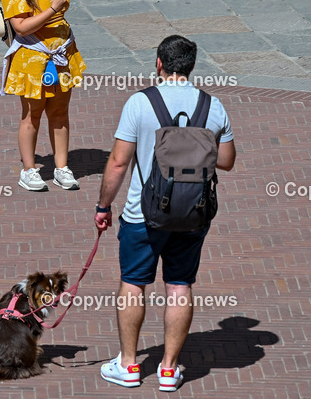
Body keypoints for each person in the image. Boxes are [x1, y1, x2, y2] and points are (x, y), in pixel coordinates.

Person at [93, 35, 235, 391]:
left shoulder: (140, 103)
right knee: (179, 286)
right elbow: (228, 161)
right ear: (191, 65)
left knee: (133, 284)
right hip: (192, 214)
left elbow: (118, 162)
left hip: (143, 213)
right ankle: (169, 370)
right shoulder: (212, 106)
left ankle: (128, 366)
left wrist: (103, 206)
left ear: (159, 63)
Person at [0, 0, 99, 192]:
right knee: (32, 115)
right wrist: (53, 8)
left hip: (62, 54)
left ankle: (62, 168)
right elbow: (21, 26)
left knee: (60, 111)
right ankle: (29, 170)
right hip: (33, 58)